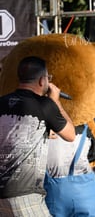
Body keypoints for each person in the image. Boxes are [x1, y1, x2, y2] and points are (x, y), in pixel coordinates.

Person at [0, 56, 76, 216]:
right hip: (25, 194)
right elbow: (70, 134)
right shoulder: (45, 105)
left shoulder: (1, 102)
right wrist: (55, 101)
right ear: (42, 81)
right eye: (49, 78)